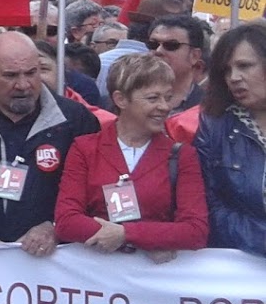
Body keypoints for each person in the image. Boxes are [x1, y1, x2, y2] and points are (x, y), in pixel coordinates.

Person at [0, 32, 100, 257]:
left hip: (48, 264)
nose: (23, 85)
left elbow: (93, 190)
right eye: (11, 75)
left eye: (32, 73)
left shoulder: (75, 120)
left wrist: (57, 227)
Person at [54, 53, 208, 261]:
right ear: (121, 99)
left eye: (168, 97)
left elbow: (195, 230)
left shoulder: (182, 156)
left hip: (152, 282)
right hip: (95, 279)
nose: (164, 106)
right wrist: (148, 239)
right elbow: (66, 221)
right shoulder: (86, 148)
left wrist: (126, 234)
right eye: (153, 98)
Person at [194, 23, 266, 255]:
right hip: (240, 272)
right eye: (226, 70)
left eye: (245, 66)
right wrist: (260, 239)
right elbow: (208, 203)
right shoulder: (213, 127)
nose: (234, 78)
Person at [147, 14, 207, 114]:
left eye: (171, 45)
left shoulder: (210, 109)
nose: (158, 51)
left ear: (194, 56)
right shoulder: (127, 99)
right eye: (153, 44)